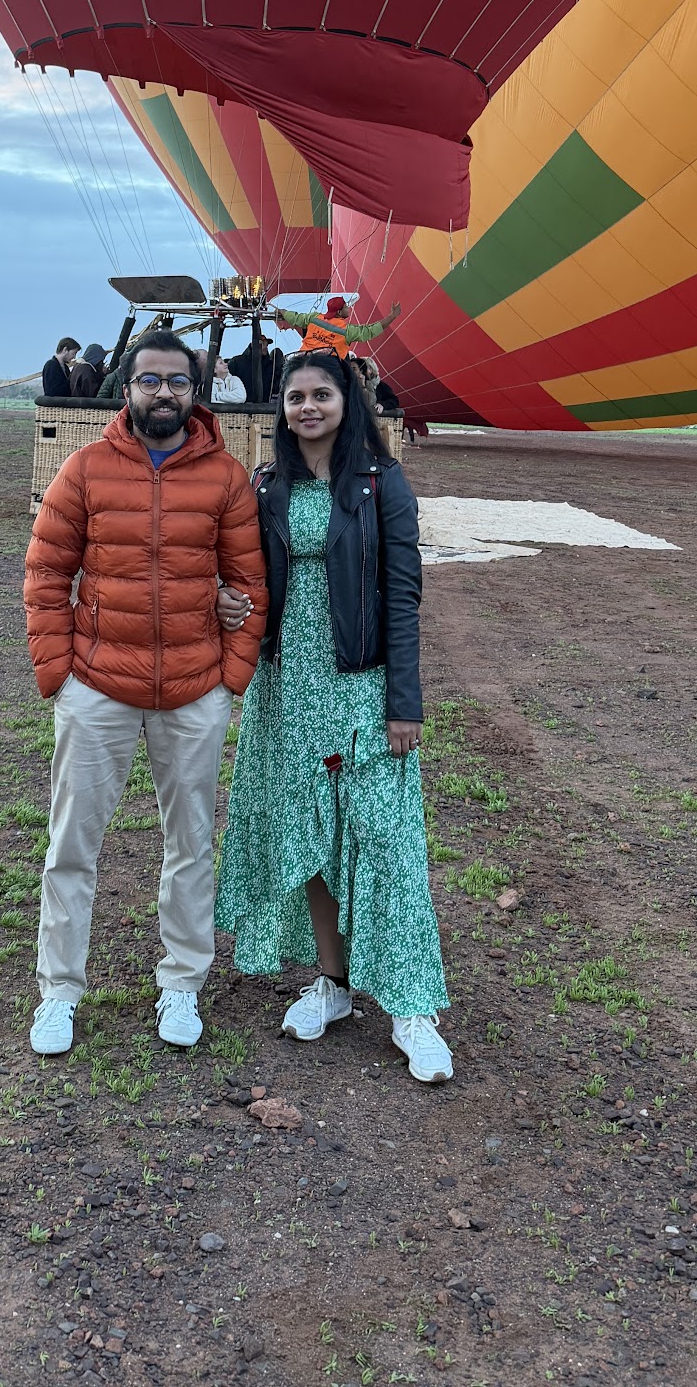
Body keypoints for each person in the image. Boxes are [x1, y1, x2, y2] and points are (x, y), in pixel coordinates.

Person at [23, 332, 268, 1057]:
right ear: (125, 389)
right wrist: (59, 677)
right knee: (72, 845)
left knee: (191, 845)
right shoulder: (86, 470)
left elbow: (250, 585)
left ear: (197, 392)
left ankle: (182, 985)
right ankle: (59, 991)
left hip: (194, 690)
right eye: (150, 381)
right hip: (98, 686)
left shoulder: (224, 478)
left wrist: (230, 679)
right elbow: (45, 575)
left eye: (178, 383)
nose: (164, 393)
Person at [212, 351, 453, 1084]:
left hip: (361, 684)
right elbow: (251, 581)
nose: (307, 407)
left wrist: (403, 704)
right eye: (295, 397)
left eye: (322, 394)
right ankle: (334, 984)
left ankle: (412, 1007)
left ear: (347, 403)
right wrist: (230, 605)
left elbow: (403, 598)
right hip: (288, 689)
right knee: (309, 834)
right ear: (280, 409)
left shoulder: (382, 485)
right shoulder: (268, 487)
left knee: (383, 839)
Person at [276, 295, 401, 362]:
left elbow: (295, 318)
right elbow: (369, 331)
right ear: (340, 312)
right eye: (346, 307)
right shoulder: (347, 331)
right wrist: (393, 316)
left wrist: (282, 311)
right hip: (329, 366)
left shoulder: (314, 318)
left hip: (303, 360)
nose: (349, 308)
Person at [227, 326, 277, 403]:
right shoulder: (236, 362)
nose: (265, 348)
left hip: (264, 407)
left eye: (266, 345)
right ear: (253, 345)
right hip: (240, 407)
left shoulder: (270, 366)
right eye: (263, 344)